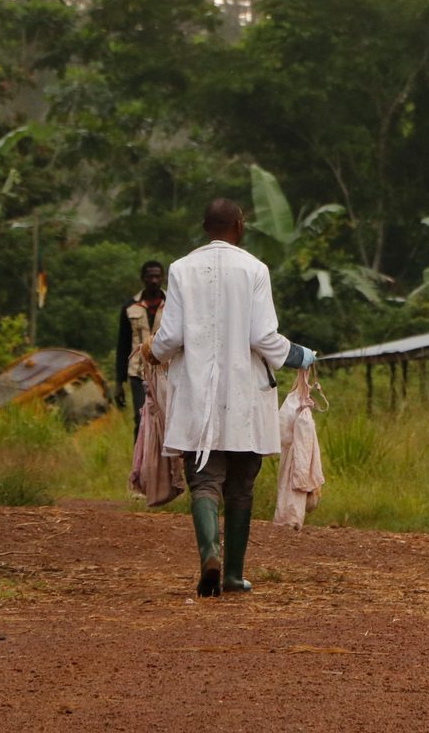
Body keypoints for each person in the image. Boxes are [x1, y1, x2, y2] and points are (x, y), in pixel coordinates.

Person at [145, 198, 317, 597]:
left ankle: (209, 553)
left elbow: (169, 338)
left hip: (197, 395)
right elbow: (263, 337)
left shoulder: (181, 269)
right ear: (239, 226)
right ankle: (234, 575)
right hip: (246, 394)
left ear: (205, 227)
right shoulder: (255, 269)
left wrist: (153, 352)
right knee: (241, 486)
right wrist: (299, 355)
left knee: (204, 481)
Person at [115, 259, 167, 445]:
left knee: (166, 419)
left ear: (163, 278)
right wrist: (119, 382)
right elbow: (122, 345)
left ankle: (166, 466)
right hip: (138, 373)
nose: (154, 280)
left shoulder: (173, 304)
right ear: (143, 278)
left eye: (157, 276)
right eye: (150, 276)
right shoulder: (130, 307)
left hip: (166, 372)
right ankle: (141, 465)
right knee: (141, 419)